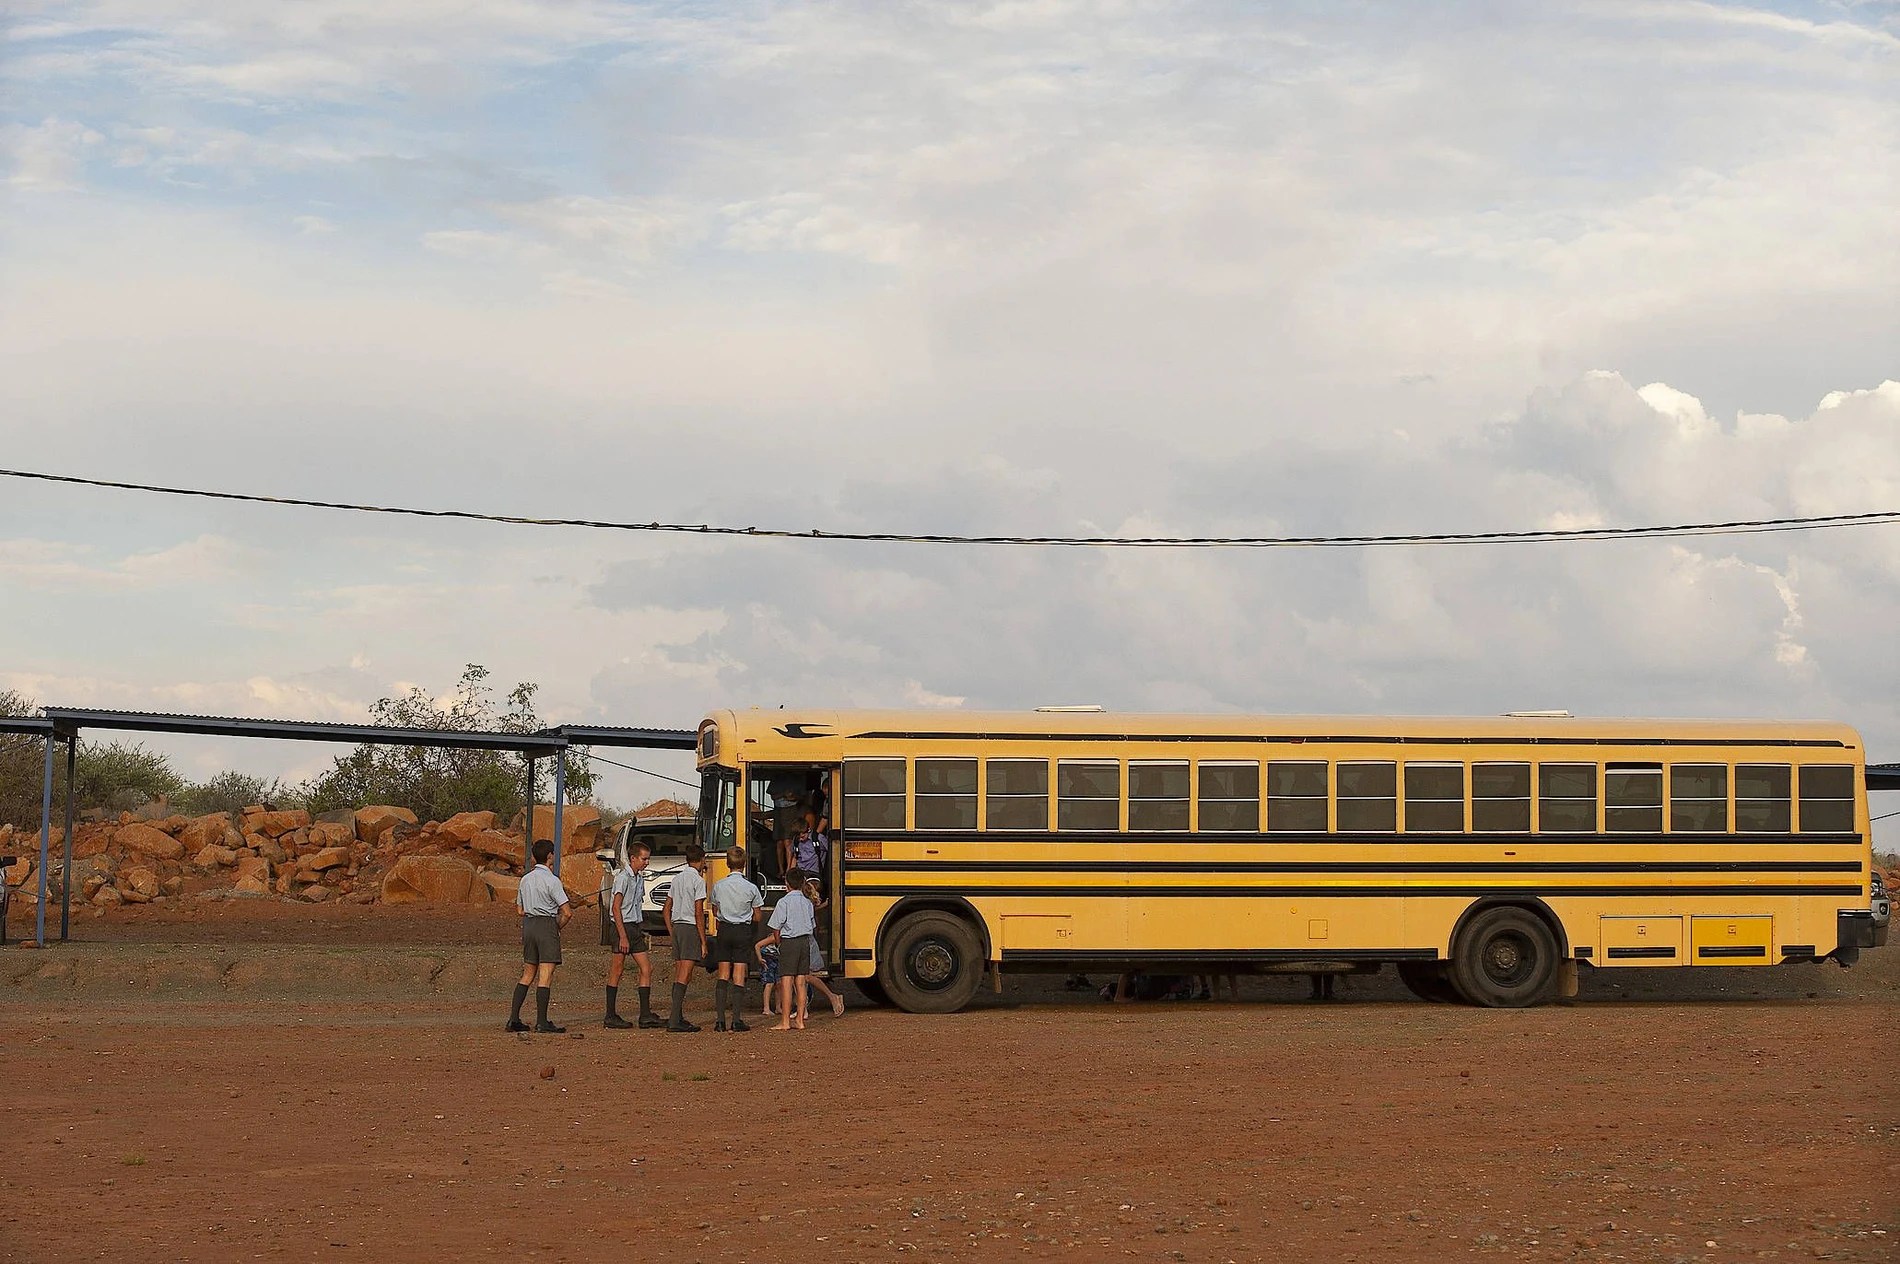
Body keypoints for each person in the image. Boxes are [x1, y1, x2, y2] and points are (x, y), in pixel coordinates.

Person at [507, 839, 571, 1034]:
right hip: (546, 926)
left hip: (529, 926)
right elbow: (567, 912)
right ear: (550, 855)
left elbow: (520, 910)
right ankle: (542, 1022)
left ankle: (513, 1019)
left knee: (527, 974)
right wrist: (556, 926)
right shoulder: (552, 880)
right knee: (545, 975)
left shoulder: (525, 879)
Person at [602, 840, 662, 1029]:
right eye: (644, 859)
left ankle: (645, 1014)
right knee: (617, 969)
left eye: (648, 859)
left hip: (634, 927)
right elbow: (616, 908)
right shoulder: (623, 878)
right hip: (622, 927)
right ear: (633, 858)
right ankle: (610, 1015)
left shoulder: (639, 878)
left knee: (646, 968)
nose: (647, 862)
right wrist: (623, 936)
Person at [709, 845, 764, 1032]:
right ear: (744, 864)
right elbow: (758, 916)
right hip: (742, 930)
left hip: (724, 929)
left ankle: (720, 1021)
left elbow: (715, 910)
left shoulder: (719, 886)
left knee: (723, 973)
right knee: (739, 973)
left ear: (727, 863)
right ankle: (736, 1020)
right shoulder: (751, 888)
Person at [755, 866, 818, 1031]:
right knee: (801, 982)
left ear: (786, 883)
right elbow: (812, 925)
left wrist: (778, 943)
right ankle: (800, 1020)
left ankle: (785, 1021)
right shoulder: (807, 902)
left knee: (786, 981)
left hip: (789, 942)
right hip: (804, 942)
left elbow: (776, 927)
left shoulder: (783, 902)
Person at [661, 845, 710, 1033]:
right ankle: (674, 1020)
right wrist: (703, 940)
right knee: (685, 974)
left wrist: (671, 931)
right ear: (701, 859)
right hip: (690, 928)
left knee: (679, 972)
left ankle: (677, 1015)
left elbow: (666, 909)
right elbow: (698, 913)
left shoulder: (677, 879)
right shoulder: (698, 881)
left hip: (677, 926)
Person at [799, 873, 846, 1018]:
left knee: (805, 976)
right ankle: (803, 1009)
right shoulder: (807, 904)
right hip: (807, 940)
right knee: (802, 977)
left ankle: (832, 996)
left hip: (805, 941)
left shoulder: (804, 904)